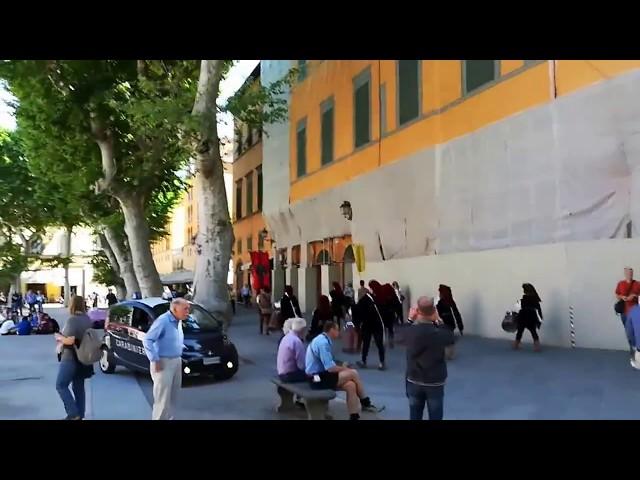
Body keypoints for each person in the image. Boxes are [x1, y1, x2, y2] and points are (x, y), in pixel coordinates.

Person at [305, 321, 381, 420]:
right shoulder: (323, 343)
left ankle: (354, 416)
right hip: (316, 379)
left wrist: (341, 366)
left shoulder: (322, 339)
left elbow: (328, 364)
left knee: (351, 385)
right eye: (337, 330)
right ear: (331, 330)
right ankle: (365, 402)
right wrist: (345, 369)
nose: (339, 332)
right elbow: (330, 368)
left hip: (321, 375)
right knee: (353, 373)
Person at [405, 296, 455, 420]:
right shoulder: (439, 333)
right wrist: (439, 320)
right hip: (434, 381)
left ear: (418, 310)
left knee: (414, 414)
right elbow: (450, 343)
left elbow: (398, 334)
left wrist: (410, 319)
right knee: (435, 414)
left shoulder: (411, 331)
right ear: (434, 310)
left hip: (414, 378)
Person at [142, 297, 189, 420]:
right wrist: (155, 359)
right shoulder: (163, 321)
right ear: (174, 309)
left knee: (173, 398)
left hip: (176, 361)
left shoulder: (178, 321)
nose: (187, 312)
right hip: (163, 362)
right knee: (162, 399)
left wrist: (180, 347)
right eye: (185, 309)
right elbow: (147, 339)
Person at [54, 295, 93, 420]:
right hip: (84, 358)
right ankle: (80, 414)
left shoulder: (73, 320)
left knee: (61, 385)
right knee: (79, 387)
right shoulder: (87, 319)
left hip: (70, 357)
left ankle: (73, 413)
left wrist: (59, 337)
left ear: (72, 305)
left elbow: (70, 340)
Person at [354, 283, 386, 370]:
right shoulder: (381, 298)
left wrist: (358, 324)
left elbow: (358, 311)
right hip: (378, 324)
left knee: (366, 344)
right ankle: (382, 362)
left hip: (367, 325)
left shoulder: (365, 299)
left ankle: (364, 361)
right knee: (379, 344)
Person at [615, 267, 640, 354]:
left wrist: (634, 296)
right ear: (625, 273)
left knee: (636, 332)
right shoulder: (620, 284)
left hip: (635, 313)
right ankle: (632, 350)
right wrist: (622, 297)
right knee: (628, 333)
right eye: (628, 273)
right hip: (624, 313)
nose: (630, 275)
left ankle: (637, 350)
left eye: (631, 273)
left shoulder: (637, 284)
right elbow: (617, 294)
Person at [436, 284, 464, 359]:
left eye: (440, 293)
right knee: (450, 340)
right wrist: (460, 326)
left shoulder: (440, 303)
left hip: (444, 325)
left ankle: (446, 355)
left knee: (444, 341)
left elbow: (438, 315)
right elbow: (457, 314)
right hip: (451, 325)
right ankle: (450, 354)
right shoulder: (451, 302)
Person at [514, 283, 543, 351]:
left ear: (525, 291)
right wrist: (539, 320)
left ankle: (516, 344)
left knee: (520, 332)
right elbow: (539, 311)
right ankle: (537, 347)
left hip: (523, 317)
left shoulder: (523, 299)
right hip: (531, 318)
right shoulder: (535, 300)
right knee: (533, 332)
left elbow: (517, 308)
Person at [277, 317, 308, 382]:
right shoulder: (297, 341)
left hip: (281, 372)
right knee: (314, 374)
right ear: (302, 329)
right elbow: (301, 365)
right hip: (290, 375)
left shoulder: (286, 337)